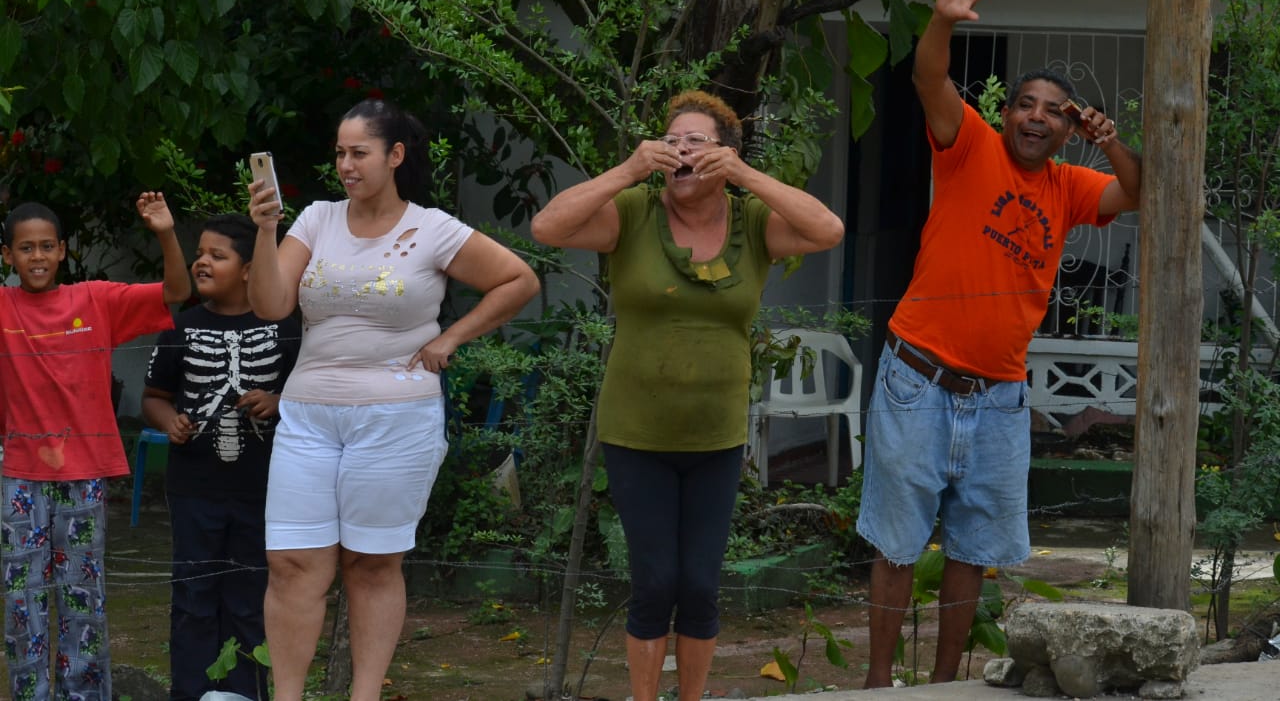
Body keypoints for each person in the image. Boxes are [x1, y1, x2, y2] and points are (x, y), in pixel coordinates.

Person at [856, 0, 1142, 688]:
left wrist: (1108, 139)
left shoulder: (1071, 186)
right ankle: (879, 683)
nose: (1037, 116)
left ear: (1066, 125)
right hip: (918, 377)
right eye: (1026, 103)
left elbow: (1135, 193)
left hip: (1000, 399)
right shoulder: (969, 146)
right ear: (1006, 112)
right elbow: (928, 81)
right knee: (895, 544)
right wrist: (945, 17)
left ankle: (947, 684)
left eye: (1054, 109)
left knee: (971, 550)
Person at [530, 89, 844, 701]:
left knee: (700, 585)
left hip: (716, 436)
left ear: (723, 155)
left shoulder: (752, 222)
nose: (680, 151)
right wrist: (627, 168)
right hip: (636, 434)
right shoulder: (633, 210)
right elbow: (547, 227)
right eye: (672, 141)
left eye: (696, 142)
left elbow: (827, 229)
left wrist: (748, 175)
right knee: (654, 582)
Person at [245, 98, 540, 701]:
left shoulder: (432, 228)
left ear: (395, 155)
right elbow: (271, 305)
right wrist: (267, 228)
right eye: (339, 153)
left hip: (396, 418)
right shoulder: (317, 220)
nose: (346, 165)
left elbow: (519, 280)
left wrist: (451, 338)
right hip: (307, 416)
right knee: (292, 565)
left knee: (372, 565)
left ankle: (365, 695)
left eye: (359, 153)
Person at [0, 193, 191, 701]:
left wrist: (166, 233)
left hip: (83, 474)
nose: (36, 257)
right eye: (24, 248)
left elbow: (176, 289)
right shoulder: (3, 307)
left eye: (46, 246)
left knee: (82, 599)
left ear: (63, 250)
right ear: (8, 257)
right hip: (20, 475)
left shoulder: (95, 299)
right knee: (23, 602)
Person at [141, 213, 302, 701]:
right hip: (195, 488)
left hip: (262, 487)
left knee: (251, 595)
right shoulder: (181, 327)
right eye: (200, 254)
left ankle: (245, 691)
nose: (202, 262)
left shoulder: (285, 327)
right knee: (193, 593)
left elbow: (309, 393)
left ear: (251, 268)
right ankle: (190, 692)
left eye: (217, 255)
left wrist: (278, 401)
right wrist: (167, 419)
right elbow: (154, 395)